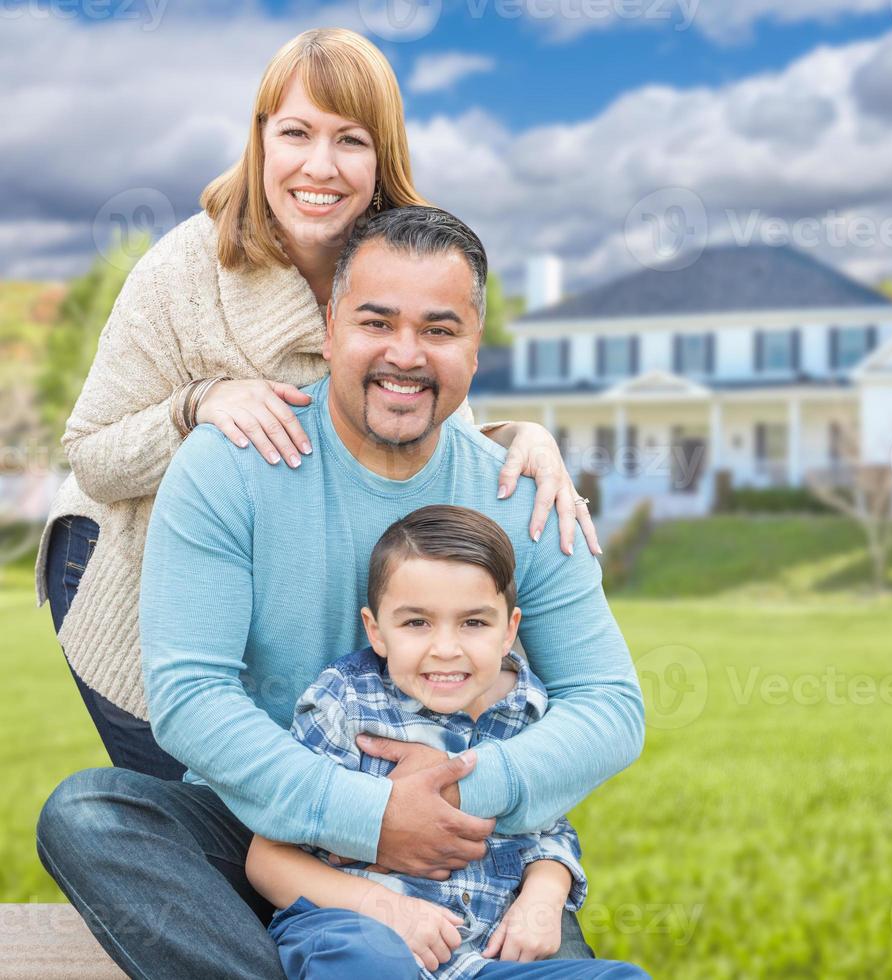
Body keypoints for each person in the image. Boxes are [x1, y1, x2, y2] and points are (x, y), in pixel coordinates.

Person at [36, 205, 644, 979]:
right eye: (376, 322)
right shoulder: (232, 464)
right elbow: (190, 696)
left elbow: (611, 705)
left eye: (439, 329)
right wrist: (367, 815)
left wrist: (458, 796)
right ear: (329, 329)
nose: (405, 354)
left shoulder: (521, 492)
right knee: (90, 815)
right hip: (265, 824)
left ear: (475, 347)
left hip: (460, 840)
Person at [35, 28, 598, 782]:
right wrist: (195, 404)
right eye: (295, 133)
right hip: (125, 565)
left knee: (308, 806)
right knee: (211, 816)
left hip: (280, 585)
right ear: (261, 141)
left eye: (350, 140)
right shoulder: (184, 271)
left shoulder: (405, 258)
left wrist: (518, 434)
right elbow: (93, 455)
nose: (319, 166)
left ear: (383, 155)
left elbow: (422, 413)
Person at [247, 504, 648, 979]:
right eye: (416, 623)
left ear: (509, 631)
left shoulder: (528, 708)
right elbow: (267, 858)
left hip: (478, 957)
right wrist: (384, 908)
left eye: (474, 623)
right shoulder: (347, 701)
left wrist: (544, 892)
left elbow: (547, 830)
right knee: (368, 963)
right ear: (376, 630)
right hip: (354, 928)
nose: (445, 648)